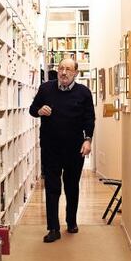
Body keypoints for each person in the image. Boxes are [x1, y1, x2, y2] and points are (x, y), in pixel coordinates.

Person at [29, 58, 95, 243]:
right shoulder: (45, 89)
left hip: (75, 149)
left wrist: (88, 140)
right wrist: (39, 110)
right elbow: (32, 109)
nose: (63, 72)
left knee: (71, 186)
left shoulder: (84, 93)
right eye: (60, 68)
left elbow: (89, 119)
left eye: (68, 69)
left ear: (76, 73)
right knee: (52, 188)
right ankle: (53, 228)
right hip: (51, 148)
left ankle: (71, 221)